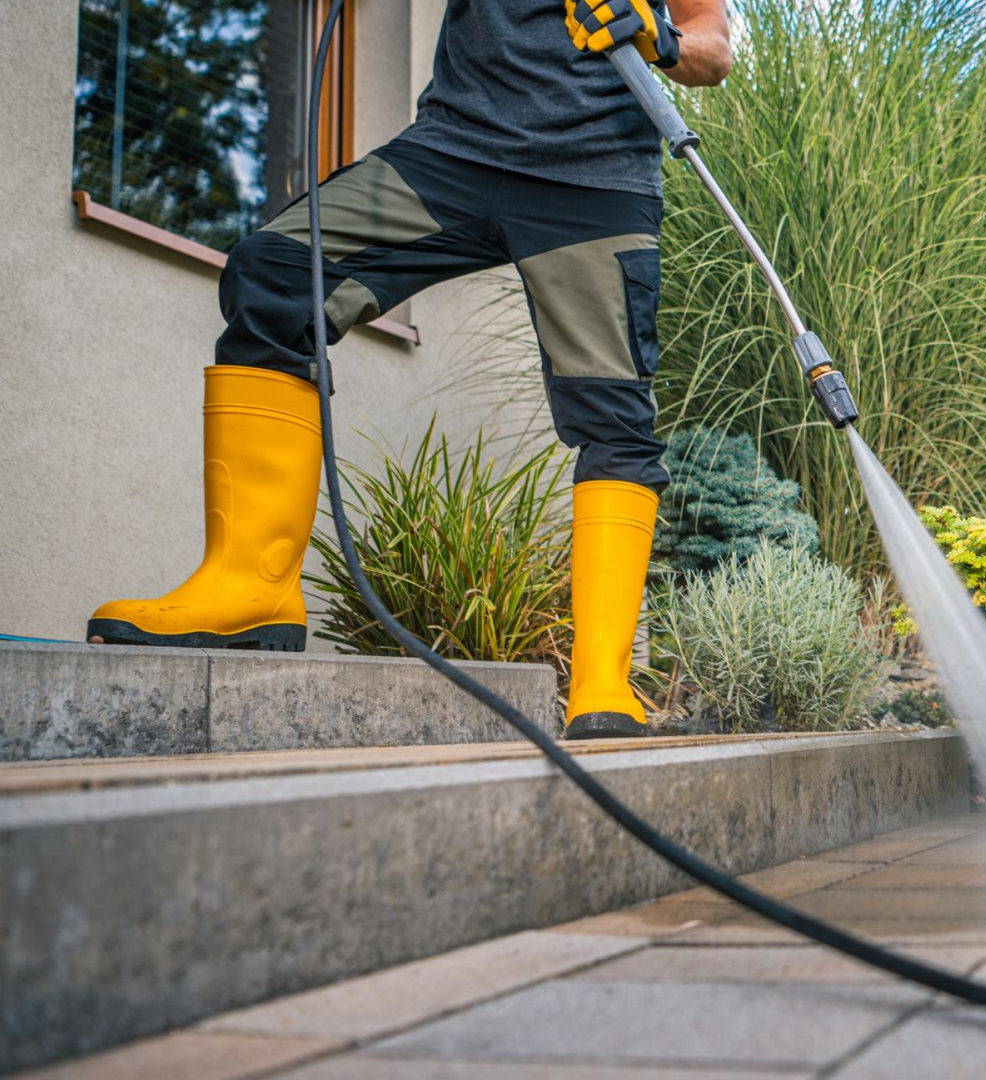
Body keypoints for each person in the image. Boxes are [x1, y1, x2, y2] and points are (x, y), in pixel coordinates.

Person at [86, 0, 732, 739]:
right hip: (454, 150)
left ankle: (602, 686)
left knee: (613, 414)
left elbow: (712, 47)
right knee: (276, 273)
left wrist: (660, 36)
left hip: (594, 181)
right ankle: (250, 590)